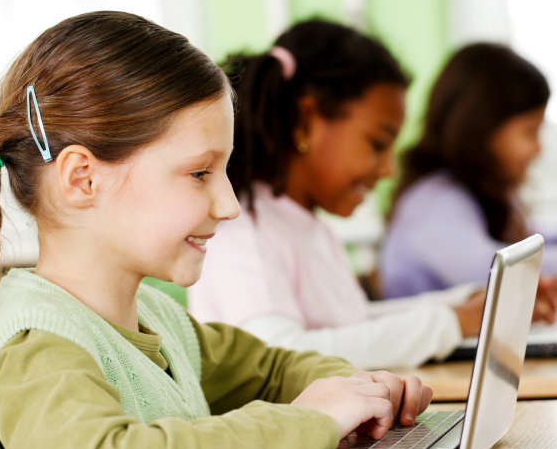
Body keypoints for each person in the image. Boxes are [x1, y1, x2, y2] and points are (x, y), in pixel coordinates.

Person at [0, 12, 433, 449]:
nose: (230, 205)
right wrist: (313, 421)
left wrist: (358, 391)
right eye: (200, 172)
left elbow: (273, 369)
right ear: (82, 179)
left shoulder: (160, 321)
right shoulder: (36, 348)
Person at [188, 20, 485, 371]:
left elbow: (352, 327)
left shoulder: (307, 225)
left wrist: (462, 304)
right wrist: (450, 322)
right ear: (306, 120)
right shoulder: (244, 229)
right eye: (377, 144)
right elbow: (282, 356)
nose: (389, 169)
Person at [380, 43, 557, 300]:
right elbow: (492, 268)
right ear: (481, 129)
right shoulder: (433, 202)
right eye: (529, 131)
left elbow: (544, 236)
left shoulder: (478, 192)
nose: (538, 148)